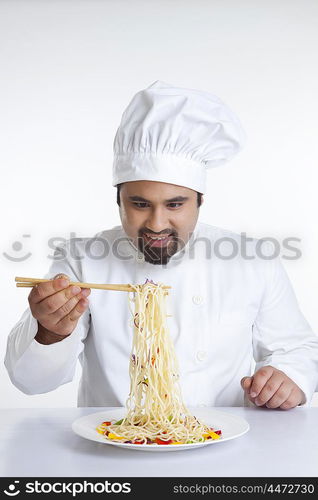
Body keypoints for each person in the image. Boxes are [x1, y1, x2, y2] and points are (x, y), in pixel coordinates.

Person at [5, 81, 318, 409]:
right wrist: (51, 333)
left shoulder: (254, 259)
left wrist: (288, 378)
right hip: (113, 448)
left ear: (200, 201)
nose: (156, 224)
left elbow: (297, 350)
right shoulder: (81, 260)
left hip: (224, 447)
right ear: (118, 201)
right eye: (140, 204)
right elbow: (31, 382)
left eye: (174, 205)